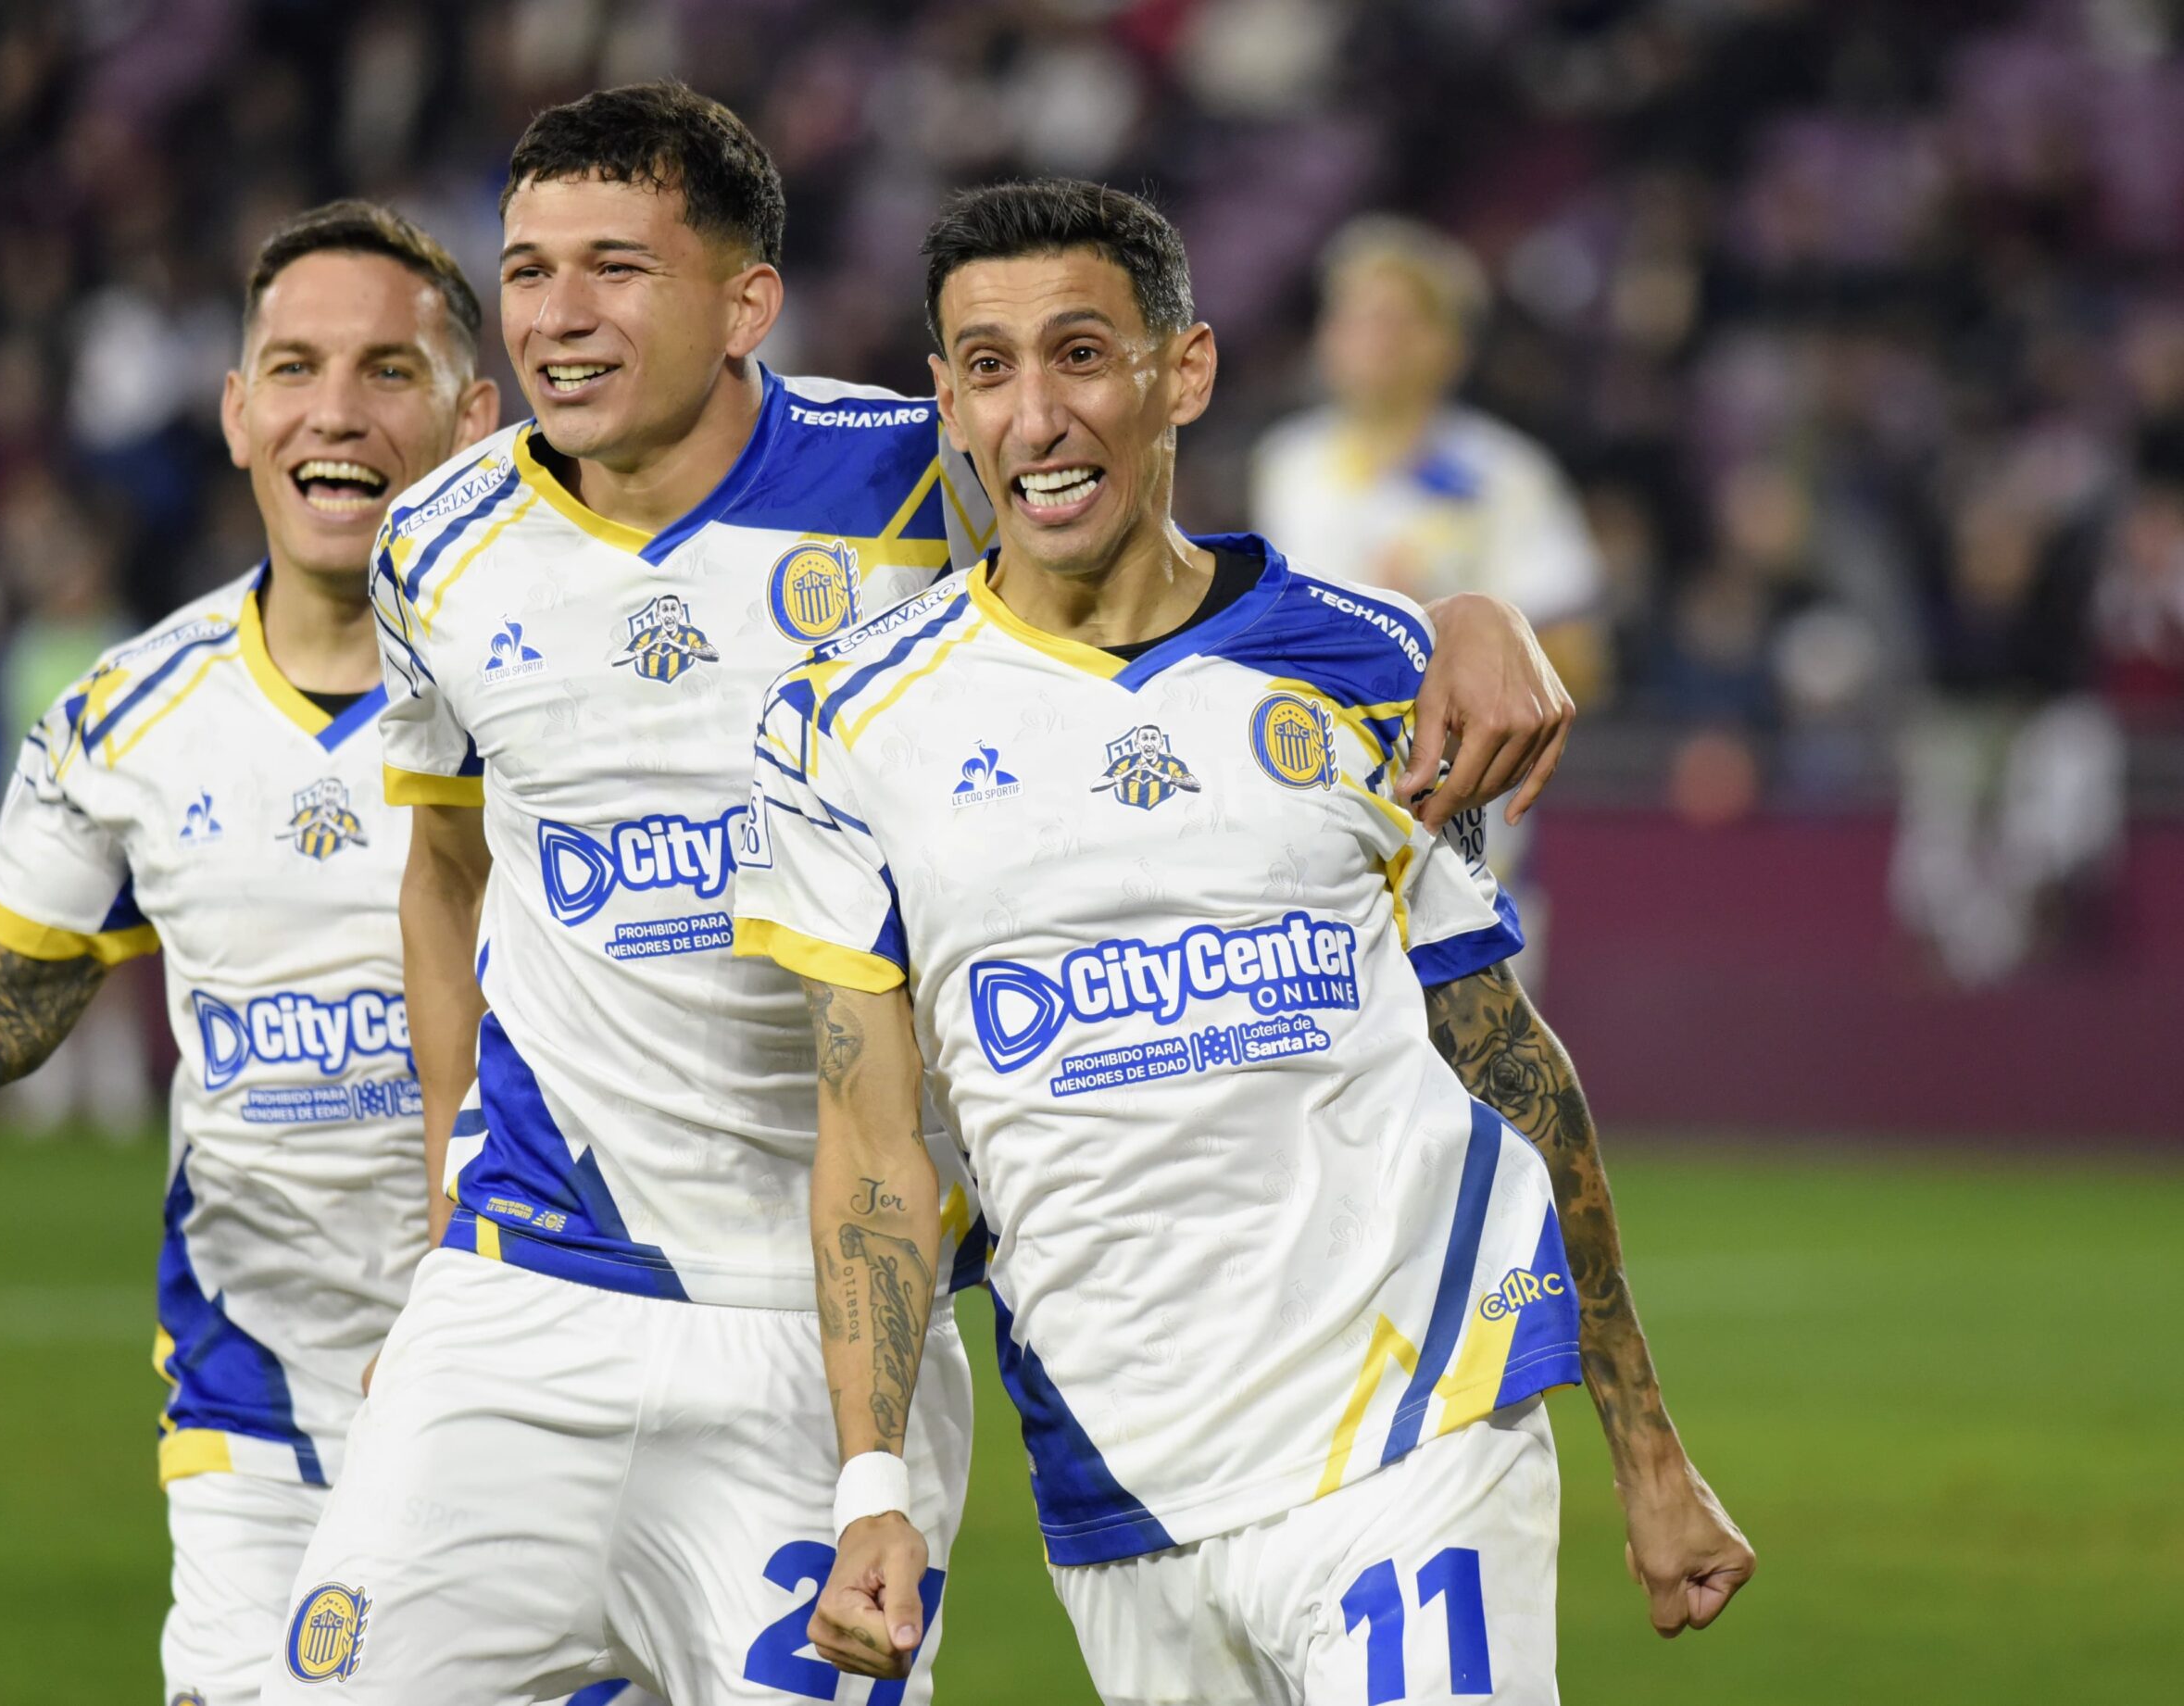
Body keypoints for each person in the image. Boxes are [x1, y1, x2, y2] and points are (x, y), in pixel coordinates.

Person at [264, 83, 1578, 1706]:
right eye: (527, 269)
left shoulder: (911, 473)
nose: (557, 313)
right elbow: (446, 868)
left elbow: (1170, 574)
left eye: (616, 266)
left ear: (747, 303)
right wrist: (439, 1235)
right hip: (525, 1281)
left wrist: (1463, 617)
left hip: (826, 1331)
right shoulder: (437, 543)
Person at [734, 179, 1751, 1703]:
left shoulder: (1369, 665)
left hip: (1416, 1431)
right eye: (990, 368)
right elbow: (874, 1150)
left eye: (1083, 354)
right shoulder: (844, 728)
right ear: (946, 402)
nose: (1037, 413)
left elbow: (1507, 1067)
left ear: (1184, 372)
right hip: (1120, 1484)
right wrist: (871, 1485)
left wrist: (1649, 1452)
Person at [0, 200, 555, 1706]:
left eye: (387, 370)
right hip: (259, 1424)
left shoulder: (581, 694)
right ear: (235, 413)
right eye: (293, 368)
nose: (333, 409)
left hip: (545, 1398)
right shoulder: (126, 720)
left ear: (476, 417)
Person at [1254, 216, 1611, 982]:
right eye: (1348, 315)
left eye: (1390, 318)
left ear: (1447, 344)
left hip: (1464, 864)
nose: (1363, 338)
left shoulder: (1507, 478)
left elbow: (1580, 660)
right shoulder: (1288, 466)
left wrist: (1442, 647)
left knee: (1474, 1059)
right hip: (1312, 860)